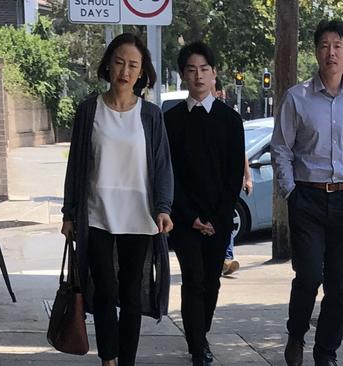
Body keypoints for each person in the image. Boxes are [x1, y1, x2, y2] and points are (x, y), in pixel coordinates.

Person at [270, 20, 343, 366]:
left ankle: (326, 353)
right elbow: (281, 149)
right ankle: (296, 334)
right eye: (324, 45)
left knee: (338, 285)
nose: (331, 52)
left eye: (337, 45)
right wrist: (290, 191)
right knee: (308, 276)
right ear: (316, 51)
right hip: (306, 198)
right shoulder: (297, 97)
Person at [61, 33, 174, 366]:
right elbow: (77, 166)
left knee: (131, 293)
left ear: (142, 73)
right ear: (108, 65)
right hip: (97, 214)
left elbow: (162, 165)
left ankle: (127, 361)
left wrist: (164, 208)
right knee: (105, 291)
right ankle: (108, 359)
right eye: (120, 62)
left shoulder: (151, 115)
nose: (125, 71)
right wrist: (69, 213)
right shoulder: (88, 110)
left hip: (139, 217)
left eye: (133, 65)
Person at [165, 42, 245, 366]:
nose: (198, 75)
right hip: (184, 220)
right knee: (193, 279)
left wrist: (216, 216)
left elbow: (233, 175)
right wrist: (191, 216)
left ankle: (200, 334)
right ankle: (198, 348)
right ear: (183, 75)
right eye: (191, 70)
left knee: (211, 281)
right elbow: (169, 174)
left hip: (220, 217)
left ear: (214, 74)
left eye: (204, 69)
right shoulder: (170, 121)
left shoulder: (230, 120)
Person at [211, 77, 252, 276]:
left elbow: (240, 151)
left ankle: (226, 257)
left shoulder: (229, 118)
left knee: (226, 218)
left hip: (225, 183)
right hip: (206, 185)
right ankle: (223, 258)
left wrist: (247, 176)